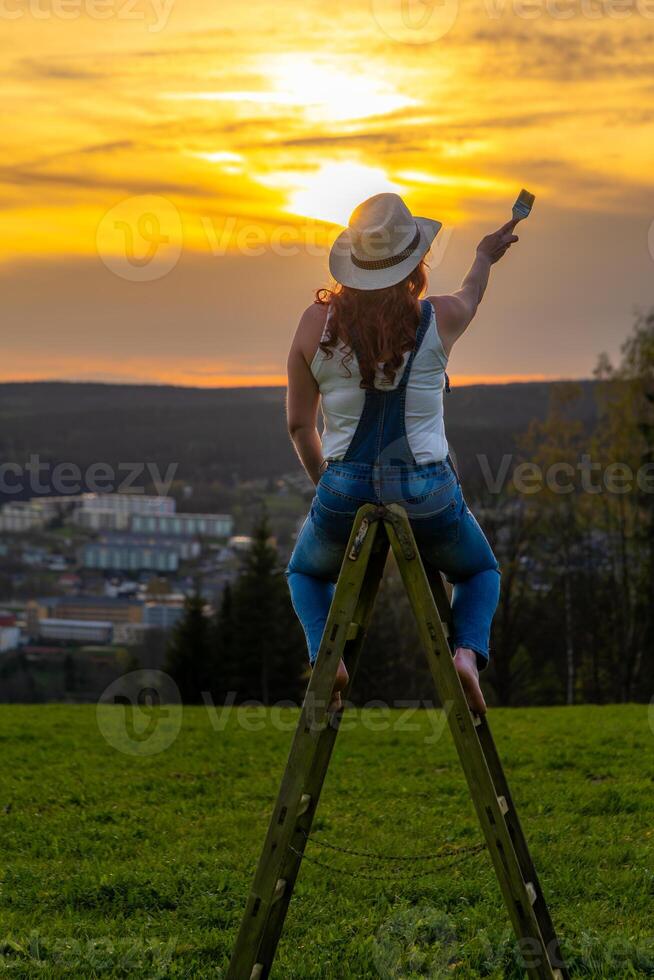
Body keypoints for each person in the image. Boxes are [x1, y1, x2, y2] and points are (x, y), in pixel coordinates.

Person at [285, 192, 519, 713]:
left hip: (344, 485)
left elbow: (301, 426)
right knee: (480, 572)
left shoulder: (312, 325)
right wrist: (484, 255)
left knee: (305, 572)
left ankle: (330, 654)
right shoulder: (440, 319)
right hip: (426, 488)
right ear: (413, 263)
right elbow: (473, 293)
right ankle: (465, 654)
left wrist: (329, 486)